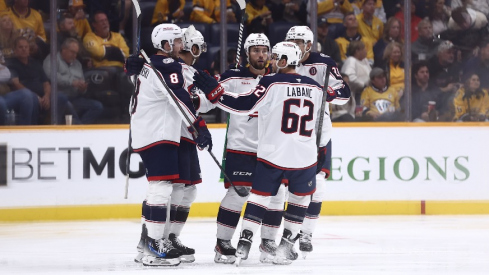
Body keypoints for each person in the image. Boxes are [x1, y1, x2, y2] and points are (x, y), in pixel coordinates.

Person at [192, 41, 347, 265]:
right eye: (261, 52)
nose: (269, 59)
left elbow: (244, 104)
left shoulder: (271, 81)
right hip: (294, 154)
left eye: (273, 56)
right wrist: (321, 146)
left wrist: (217, 95)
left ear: (284, 60)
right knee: (294, 198)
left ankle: (252, 242)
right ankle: (280, 246)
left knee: (266, 196)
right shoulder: (314, 86)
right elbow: (324, 122)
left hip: (272, 152)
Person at [129, 23, 219, 267]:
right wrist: (199, 124)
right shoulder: (166, 65)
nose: (183, 46)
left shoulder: (156, 65)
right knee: (162, 188)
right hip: (159, 133)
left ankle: (156, 241)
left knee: (175, 189)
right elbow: (181, 98)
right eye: (178, 42)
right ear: (167, 45)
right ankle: (153, 245)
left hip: (157, 131)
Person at [285, 25, 350, 258]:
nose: (293, 46)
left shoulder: (324, 63)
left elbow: (344, 93)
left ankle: (306, 233)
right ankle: (287, 234)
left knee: (318, 184)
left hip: (318, 132)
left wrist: (326, 93)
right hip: (288, 133)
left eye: (298, 43)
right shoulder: (282, 59)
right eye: (290, 41)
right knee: (286, 187)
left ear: (309, 45)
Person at [7, 37, 72, 124]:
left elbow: (46, 83)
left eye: (26, 47)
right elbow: (16, 83)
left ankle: (53, 126)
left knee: (61, 97)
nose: (24, 49)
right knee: (30, 98)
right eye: (20, 47)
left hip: (42, 97)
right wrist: (36, 97)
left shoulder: (35, 63)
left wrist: (47, 96)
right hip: (26, 97)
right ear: (15, 50)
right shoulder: (11, 63)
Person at [83, 11, 132, 121]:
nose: (105, 23)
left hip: (120, 72)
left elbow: (126, 55)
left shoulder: (117, 36)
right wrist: (115, 51)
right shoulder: (89, 37)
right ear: (94, 25)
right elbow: (98, 53)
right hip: (101, 72)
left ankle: (126, 115)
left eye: (105, 20)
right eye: (101, 21)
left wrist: (106, 52)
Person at [43, 38, 103, 124]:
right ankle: (78, 127)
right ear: (63, 49)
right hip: (58, 98)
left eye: (76, 53)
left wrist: (82, 88)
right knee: (63, 100)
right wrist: (71, 82)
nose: (74, 55)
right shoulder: (52, 59)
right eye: (72, 52)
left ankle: (81, 127)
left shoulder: (77, 64)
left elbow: (81, 82)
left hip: (75, 97)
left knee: (97, 106)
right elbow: (52, 77)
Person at [0, 50, 39, 125]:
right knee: (1, 103)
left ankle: (25, 131)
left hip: (4, 95)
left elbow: (6, 74)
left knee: (28, 95)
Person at [341, 40, 371, 105]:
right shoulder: (351, 61)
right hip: (355, 94)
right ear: (357, 51)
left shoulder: (364, 60)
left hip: (367, 92)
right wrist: (364, 85)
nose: (366, 51)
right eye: (363, 49)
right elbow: (349, 78)